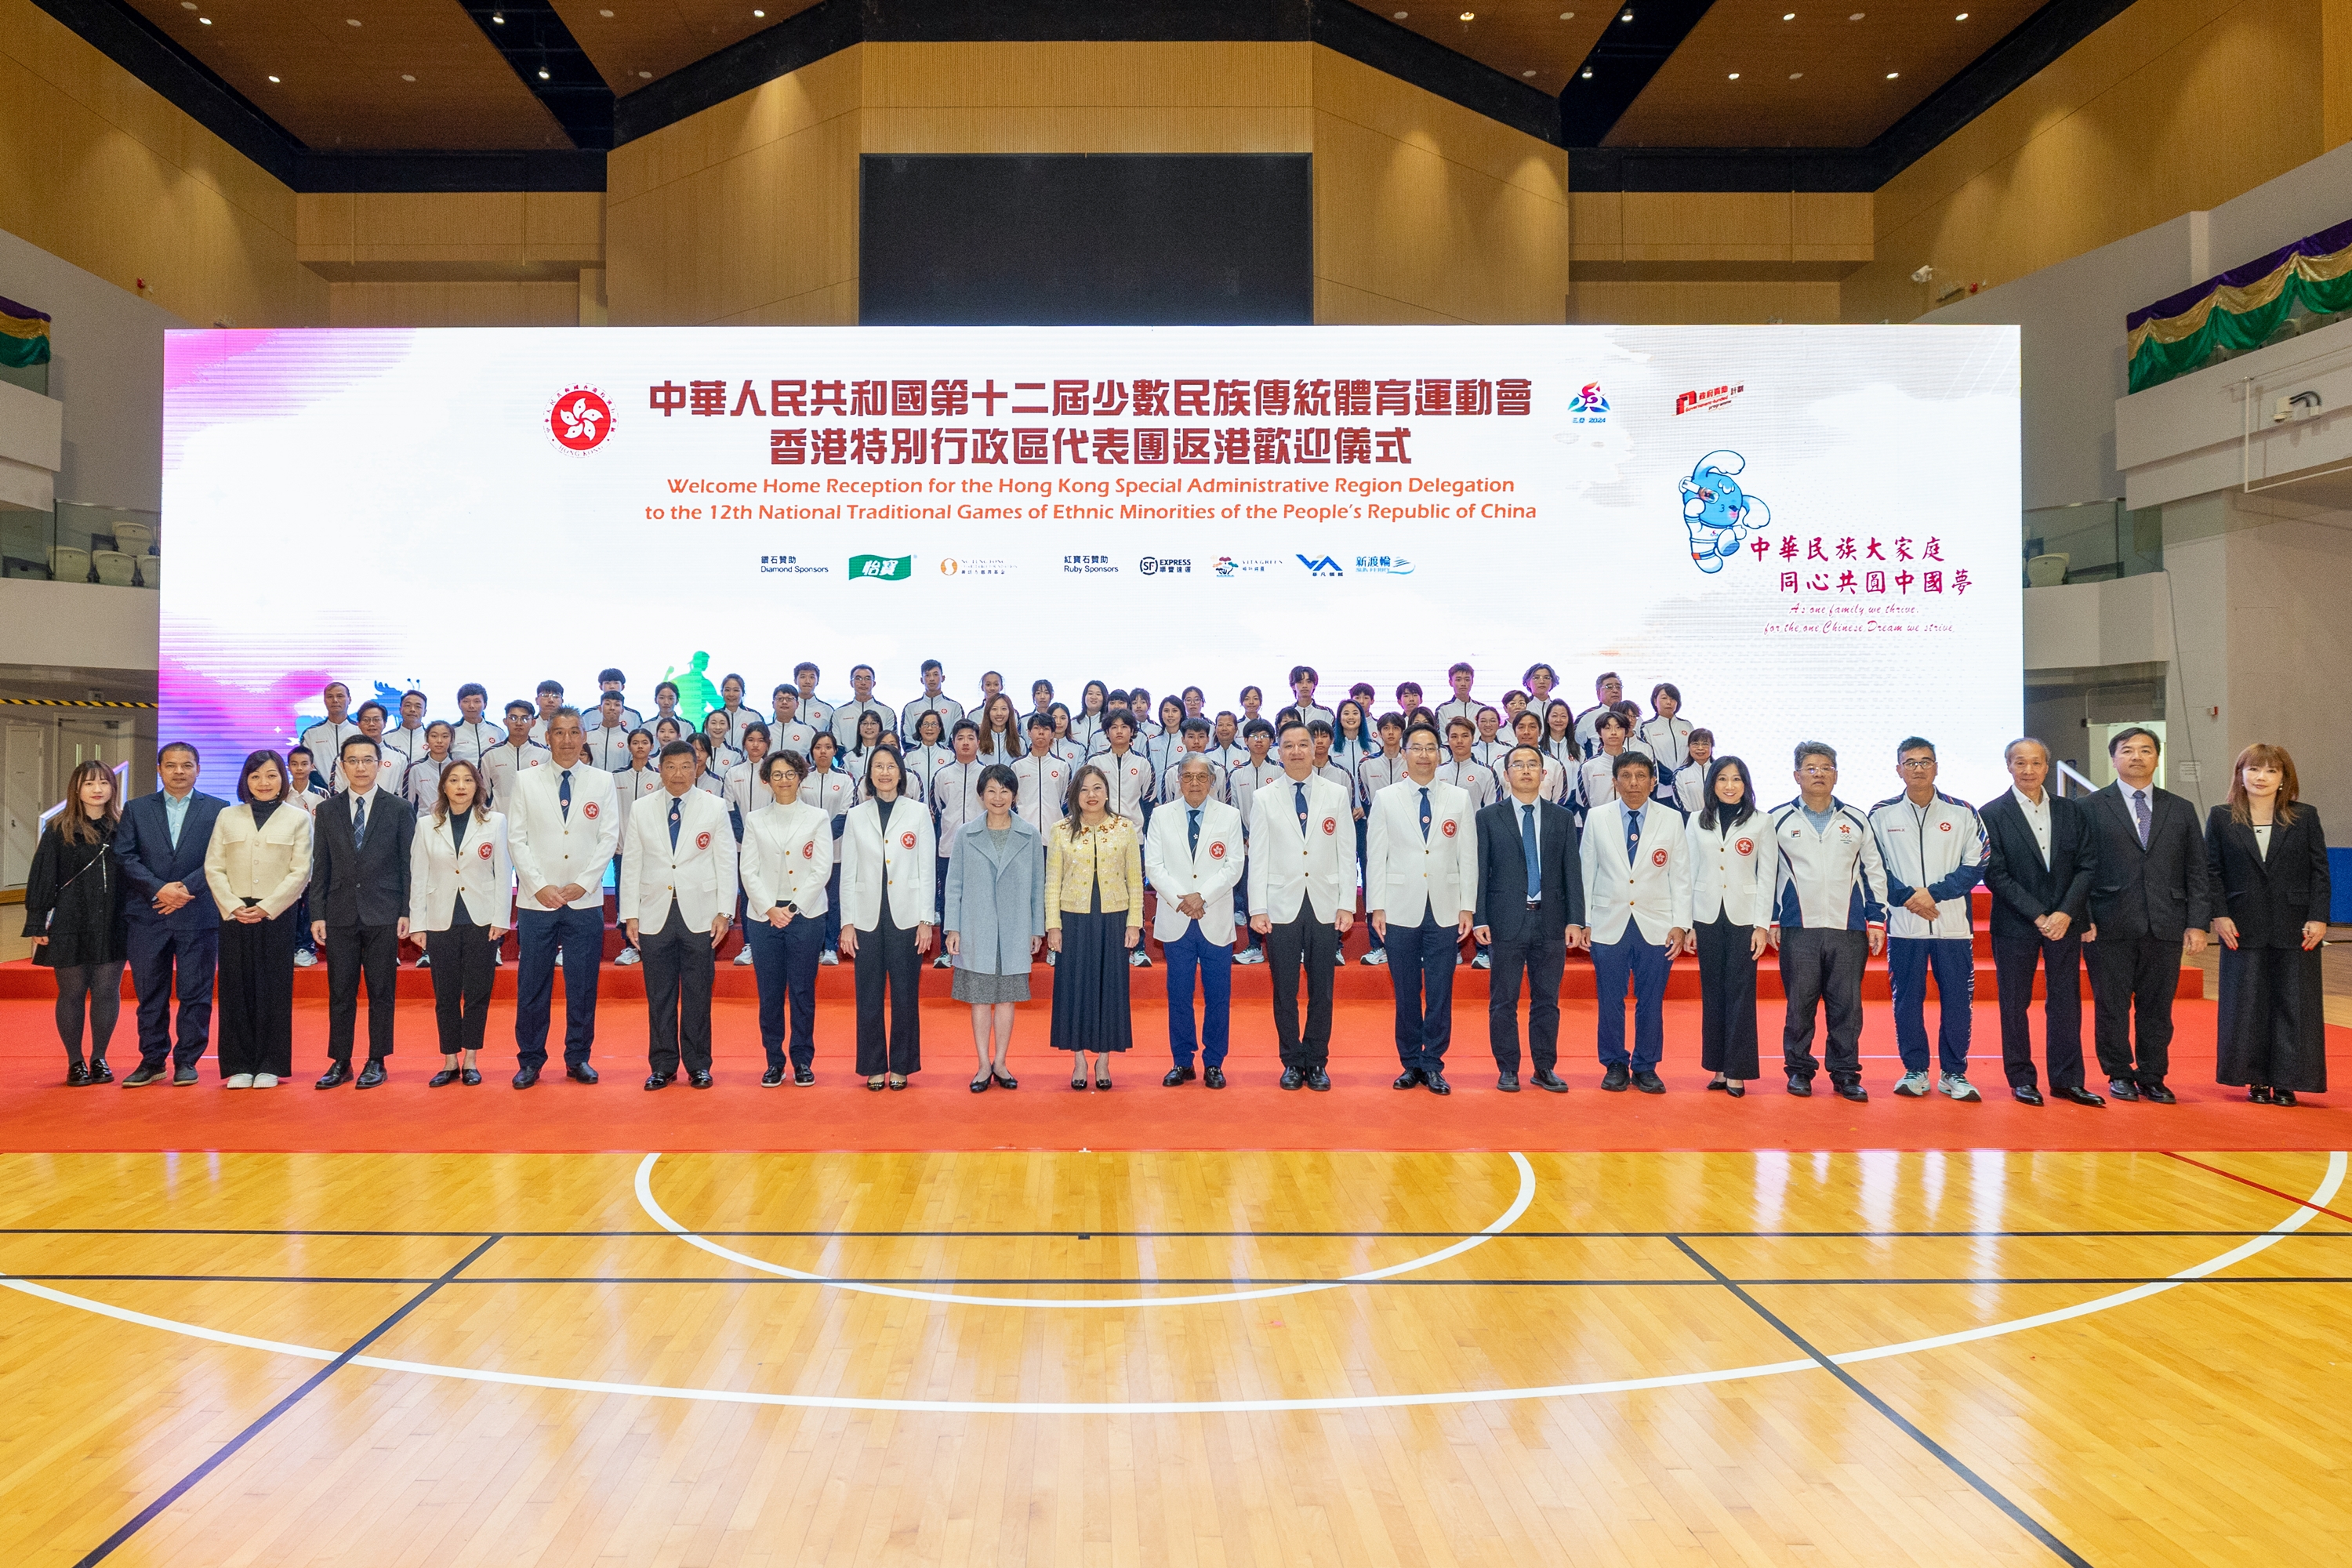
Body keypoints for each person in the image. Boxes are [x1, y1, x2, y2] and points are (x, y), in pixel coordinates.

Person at [2082, 726, 2209, 1103]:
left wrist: (2198, 923)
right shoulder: (2089, 807)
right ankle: (2118, 1072)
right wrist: (2083, 917)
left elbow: (2197, 871)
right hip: (2107, 923)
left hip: (2165, 923)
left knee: (2158, 1008)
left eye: (2146, 750)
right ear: (2114, 758)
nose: (2137, 756)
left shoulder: (2181, 808)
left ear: (2157, 757)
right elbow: (2078, 868)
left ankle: (2154, 1074)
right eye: (2128, 750)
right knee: (2112, 1005)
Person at [1980, 738, 2102, 1106]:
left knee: (2065, 1002)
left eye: (2036, 763)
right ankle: (2021, 1079)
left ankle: (2067, 1080)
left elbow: (2087, 865)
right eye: (2020, 763)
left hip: (2066, 921)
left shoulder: (2072, 811)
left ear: (2048, 767)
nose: (2028, 770)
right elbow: (1994, 874)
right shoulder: (1991, 813)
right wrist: (2038, 914)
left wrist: (2065, 913)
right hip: (2017, 923)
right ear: (2008, 766)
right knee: (2014, 1003)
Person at [2206, 743, 2330, 1104]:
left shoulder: (2305, 816)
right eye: (2254, 770)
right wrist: (2219, 913)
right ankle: (2255, 1079)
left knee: (2295, 1004)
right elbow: (2211, 871)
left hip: (2297, 926)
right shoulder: (2221, 817)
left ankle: (2288, 1080)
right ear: (2240, 775)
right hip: (2240, 925)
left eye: (2271, 771)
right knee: (2246, 1005)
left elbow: (2319, 872)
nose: (2261, 777)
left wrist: (2319, 916)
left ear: (2283, 778)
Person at [504, 706, 619, 1089]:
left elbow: (607, 838)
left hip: (583, 901)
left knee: (582, 984)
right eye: (559, 732)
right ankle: (531, 1060)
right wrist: (538, 884)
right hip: (538, 901)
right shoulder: (525, 780)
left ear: (584, 736)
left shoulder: (602, 782)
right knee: (533, 983)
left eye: (574, 732)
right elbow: (516, 838)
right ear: (547, 736)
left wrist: (584, 883)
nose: (567, 740)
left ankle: (578, 1058)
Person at [1868, 738, 1988, 1102]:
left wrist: (1933, 894)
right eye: (1910, 762)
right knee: (1907, 1000)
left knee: (1957, 1002)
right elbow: (1872, 867)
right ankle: (1915, 1070)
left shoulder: (1963, 812)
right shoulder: (1880, 814)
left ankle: (1954, 1073)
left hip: (1953, 928)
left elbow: (1978, 863)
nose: (1918, 768)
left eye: (1926, 761)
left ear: (1937, 767)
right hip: (1905, 928)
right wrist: (1908, 899)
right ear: (1898, 769)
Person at [1367, 720, 1480, 1094]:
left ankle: (1433, 1062)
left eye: (1431, 748)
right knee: (1405, 989)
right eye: (1417, 748)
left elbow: (1468, 856)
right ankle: (1409, 1061)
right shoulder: (1386, 798)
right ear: (1405, 752)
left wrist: (1467, 907)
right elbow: (1376, 856)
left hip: (1446, 908)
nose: (1424, 755)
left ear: (1440, 753)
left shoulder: (1458, 798)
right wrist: (1376, 906)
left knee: (1440, 989)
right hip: (1399, 907)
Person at [1770, 742, 1888, 1102]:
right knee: (1799, 1003)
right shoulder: (1776, 819)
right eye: (1810, 767)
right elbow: (1767, 874)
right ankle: (1799, 1071)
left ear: (1836, 774)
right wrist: (1772, 919)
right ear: (1797, 775)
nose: (1818, 773)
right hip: (1797, 926)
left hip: (1848, 926)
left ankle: (1846, 1073)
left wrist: (1876, 919)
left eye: (1825, 767)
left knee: (1847, 1006)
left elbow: (1874, 871)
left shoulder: (1856, 819)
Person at [620, 741, 736, 1090]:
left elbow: (726, 861)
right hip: (654, 912)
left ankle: (699, 1065)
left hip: (700, 914)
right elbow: (631, 863)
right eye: (671, 767)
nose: (678, 774)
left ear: (697, 767)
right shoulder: (641, 809)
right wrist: (630, 915)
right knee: (660, 995)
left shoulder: (714, 807)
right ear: (660, 769)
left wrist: (724, 912)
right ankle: (663, 1065)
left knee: (699, 994)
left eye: (686, 766)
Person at [1247, 720, 1354, 1091]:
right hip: (1280, 906)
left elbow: (1346, 852)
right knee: (1285, 990)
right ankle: (1292, 1060)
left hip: (1324, 904)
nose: (1296, 751)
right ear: (1279, 752)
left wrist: (1347, 904)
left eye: (1303, 744)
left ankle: (1318, 1060)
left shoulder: (1337, 794)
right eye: (1288, 745)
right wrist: (1257, 907)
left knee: (1323, 989)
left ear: (1316, 748)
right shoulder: (1264, 798)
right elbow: (1257, 857)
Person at [1475, 742, 1585, 1093]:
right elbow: (1480, 871)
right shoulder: (1488, 817)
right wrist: (1479, 918)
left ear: (1544, 773)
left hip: (1551, 920)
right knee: (1503, 1000)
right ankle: (1507, 1068)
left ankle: (1544, 1067)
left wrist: (1576, 919)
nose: (1526, 770)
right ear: (1506, 775)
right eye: (1518, 765)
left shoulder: (1562, 817)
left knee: (1547, 1001)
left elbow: (1572, 871)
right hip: (1506, 920)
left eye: (1533, 764)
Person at [115, 742, 227, 1087]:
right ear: (159, 769)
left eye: (187, 765)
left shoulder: (219, 810)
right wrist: (159, 889)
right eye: (172, 765)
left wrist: (183, 890)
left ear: (198, 768)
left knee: (196, 991)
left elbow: (218, 858)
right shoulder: (136, 809)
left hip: (198, 914)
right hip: (148, 915)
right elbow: (125, 857)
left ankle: (187, 1060)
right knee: (151, 992)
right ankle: (152, 1060)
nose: (179, 771)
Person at [310, 735, 415, 1088]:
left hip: (384, 912)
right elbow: (319, 865)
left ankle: (377, 1059)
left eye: (367, 760)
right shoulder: (327, 810)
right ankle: (340, 1061)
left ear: (379, 764)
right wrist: (317, 913)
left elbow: (407, 864)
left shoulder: (399, 809)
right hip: (339, 912)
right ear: (341, 765)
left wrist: (406, 910)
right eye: (352, 760)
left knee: (381, 990)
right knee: (340, 990)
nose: (360, 767)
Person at [1581, 751, 1689, 1092]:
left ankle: (1645, 1065)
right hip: (1607, 920)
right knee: (1609, 999)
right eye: (1626, 776)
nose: (1633, 784)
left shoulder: (1671, 819)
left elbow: (1681, 875)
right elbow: (1587, 871)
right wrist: (1584, 920)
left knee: (1651, 1000)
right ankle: (1614, 1063)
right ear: (1614, 781)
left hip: (1656, 923)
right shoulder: (1597, 818)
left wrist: (1682, 924)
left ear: (1653, 781)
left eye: (1641, 776)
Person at [203, 750, 310, 1089]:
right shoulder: (228, 816)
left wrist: (268, 906)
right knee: (235, 988)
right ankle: (238, 1064)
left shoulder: (297, 817)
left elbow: (301, 870)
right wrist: (234, 905)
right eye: (256, 776)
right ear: (245, 781)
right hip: (234, 913)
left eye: (271, 775)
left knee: (274, 988)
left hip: (276, 913)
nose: (264, 783)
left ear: (283, 778)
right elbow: (214, 866)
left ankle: (270, 1064)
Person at [23, 760, 127, 1085]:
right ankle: (75, 1061)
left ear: (113, 787)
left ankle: (99, 1058)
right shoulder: (58, 828)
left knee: (107, 991)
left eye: (104, 783)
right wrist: (38, 920)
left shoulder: (125, 825)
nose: (97, 790)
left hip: (113, 919)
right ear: (77, 789)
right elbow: (42, 876)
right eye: (89, 784)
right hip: (69, 918)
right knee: (71, 992)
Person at [1145, 755, 1246, 1087]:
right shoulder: (1161, 815)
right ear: (1178, 781)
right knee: (1179, 994)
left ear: (1213, 781)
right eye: (1187, 776)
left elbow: (1234, 865)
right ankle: (1182, 1061)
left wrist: (1201, 896)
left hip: (1213, 915)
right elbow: (1154, 866)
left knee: (1218, 995)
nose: (1194, 783)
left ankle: (1214, 1062)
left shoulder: (1229, 815)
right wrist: (1182, 899)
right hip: (1177, 918)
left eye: (1202, 777)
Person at [408, 759, 510, 1087]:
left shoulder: (495, 822)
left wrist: (501, 919)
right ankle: (449, 1059)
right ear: (444, 787)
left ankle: (471, 1059)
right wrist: (418, 923)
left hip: (482, 919)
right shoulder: (427, 824)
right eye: (454, 780)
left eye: (468, 780)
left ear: (478, 786)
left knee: (478, 993)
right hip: (440, 919)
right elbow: (418, 875)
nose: (461, 786)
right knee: (446, 994)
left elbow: (503, 873)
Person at [942, 763, 1044, 1092]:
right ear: (981, 795)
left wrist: (1036, 929)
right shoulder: (965, 833)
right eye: (991, 791)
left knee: (1006, 999)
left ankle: (1001, 1061)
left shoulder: (1030, 834)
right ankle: (983, 1065)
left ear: (1014, 795)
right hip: (976, 925)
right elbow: (953, 884)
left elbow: (1037, 887)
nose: (998, 797)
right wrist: (952, 928)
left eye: (1004, 791)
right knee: (980, 998)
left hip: (1015, 926)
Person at [840, 746, 935, 1090]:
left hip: (907, 917)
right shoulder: (856, 815)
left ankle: (903, 1066)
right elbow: (847, 872)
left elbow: (927, 868)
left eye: (890, 766)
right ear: (869, 773)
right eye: (878, 766)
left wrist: (927, 919)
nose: (884, 772)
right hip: (866, 917)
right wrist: (846, 923)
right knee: (868, 995)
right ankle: (873, 1065)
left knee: (905, 994)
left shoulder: (918, 812)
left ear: (901, 772)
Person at [1045, 764, 1144, 1088]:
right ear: (1075, 793)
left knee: (1110, 987)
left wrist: (1134, 924)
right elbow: (1052, 883)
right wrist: (1053, 926)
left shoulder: (1124, 828)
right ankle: (1078, 1060)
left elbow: (1134, 880)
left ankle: (1103, 1060)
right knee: (1073, 987)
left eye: (1098, 788)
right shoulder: (1061, 830)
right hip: (1073, 917)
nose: (1092, 795)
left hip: (1114, 917)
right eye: (1085, 789)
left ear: (1107, 792)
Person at [739, 750, 833, 1086]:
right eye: (776, 774)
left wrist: (792, 909)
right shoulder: (754, 819)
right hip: (764, 916)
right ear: (766, 780)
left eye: (789, 773)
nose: (783, 780)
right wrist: (769, 909)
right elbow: (748, 870)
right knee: (770, 992)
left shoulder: (817, 817)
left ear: (800, 776)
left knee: (802, 991)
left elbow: (821, 868)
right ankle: (774, 1060)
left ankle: (803, 1059)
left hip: (806, 914)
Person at [1682, 757, 1773, 1097]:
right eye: (1722, 779)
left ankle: (1738, 1070)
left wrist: (1762, 924)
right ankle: (1718, 1067)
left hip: (1744, 918)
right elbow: (1687, 873)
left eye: (1736, 779)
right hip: (1706, 916)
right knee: (1713, 993)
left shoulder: (1762, 822)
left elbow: (1767, 876)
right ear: (1712, 785)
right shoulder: (1696, 821)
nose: (1730, 786)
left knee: (1741, 993)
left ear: (1746, 785)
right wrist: (1687, 923)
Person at [1226, 718, 1283, 965]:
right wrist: (1245, 836)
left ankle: (1280, 946)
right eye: (1254, 736)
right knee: (1253, 895)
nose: (1259, 740)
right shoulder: (1237, 774)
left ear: (1272, 741)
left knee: (1278, 895)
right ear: (1245, 740)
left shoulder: (1281, 770)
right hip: (1248, 845)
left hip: (1279, 845)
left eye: (1264, 736)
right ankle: (1253, 946)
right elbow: (1234, 810)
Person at [1353, 713, 1408, 966]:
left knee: (1405, 884)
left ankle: (1405, 943)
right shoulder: (1366, 765)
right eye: (1385, 728)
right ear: (1379, 732)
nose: (1390, 733)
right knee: (1373, 882)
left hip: (1408, 834)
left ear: (1401, 732)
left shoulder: (1410, 761)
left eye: (1395, 728)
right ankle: (1378, 945)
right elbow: (1365, 802)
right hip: (1375, 832)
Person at [804, 731, 856, 961]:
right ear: (812, 751)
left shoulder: (845, 779)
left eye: (827, 747)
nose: (823, 751)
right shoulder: (802, 778)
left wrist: (822, 838)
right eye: (818, 747)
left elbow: (846, 815)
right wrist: (811, 839)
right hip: (806, 851)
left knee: (833, 900)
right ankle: (812, 947)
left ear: (835, 751)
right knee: (811, 898)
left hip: (836, 851)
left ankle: (831, 947)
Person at [1013, 713, 1073, 837]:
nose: (1041, 732)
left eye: (1046, 729)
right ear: (1029, 732)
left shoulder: (1063, 767)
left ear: (1052, 734)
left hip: (1054, 834)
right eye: (1036, 728)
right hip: (1023, 834)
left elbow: (1067, 802)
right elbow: (1011, 802)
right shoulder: (1017, 766)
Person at [481, 699, 548, 805]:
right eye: (513, 718)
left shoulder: (545, 754)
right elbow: (483, 792)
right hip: (501, 817)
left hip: (535, 816)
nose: (519, 723)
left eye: (525, 718)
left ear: (533, 723)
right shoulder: (489, 755)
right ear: (505, 721)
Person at [299, 681, 358, 790]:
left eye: (340, 696)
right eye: (330, 696)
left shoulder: (361, 731)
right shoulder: (310, 734)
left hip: (357, 793)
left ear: (349, 699)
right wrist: (323, 789)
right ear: (324, 701)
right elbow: (306, 766)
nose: (335, 700)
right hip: (321, 795)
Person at [830, 663, 894, 748]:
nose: (863, 683)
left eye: (868, 679)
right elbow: (836, 745)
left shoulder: (887, 712)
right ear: (851, 683)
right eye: (858, 678)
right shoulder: (839, 713)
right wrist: (850, 759)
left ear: (874, 683)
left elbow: (889, 743)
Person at [586, 691, 636, 771]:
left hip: (619, 783)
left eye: (617, 705)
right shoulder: (587, 737)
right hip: (592, 783)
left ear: (622, 710)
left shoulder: (630, 739)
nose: (612, 708)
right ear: (600, 708)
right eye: (607, 704)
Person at [448, 683, 498, 763]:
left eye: (477, 701)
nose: (471, 706)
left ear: (485, 705)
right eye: (466, 701)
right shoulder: (450, 732)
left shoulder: (497, 732)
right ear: (459, 704)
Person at [1434, 662, 1486, 732]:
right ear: (1450, 682)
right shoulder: (1442, 710)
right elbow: (1442, 739)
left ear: (1472, 682)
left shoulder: (1482, 709)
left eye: (1467, 680)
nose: (1463, 684)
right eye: (1458, 680)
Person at [792, 662, 835, 737]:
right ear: (795, 681)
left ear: (817, 681)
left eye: (812, 677)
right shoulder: (786, 707)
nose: (807, 681)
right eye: (803, 677)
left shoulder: (827, 710)